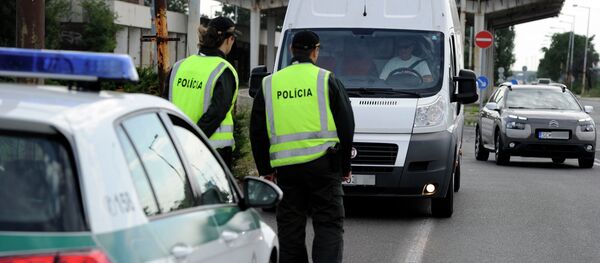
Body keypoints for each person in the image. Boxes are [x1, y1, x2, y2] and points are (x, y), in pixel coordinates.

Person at [250, 30, 355, 263]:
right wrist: (345, 166)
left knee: (290, 228)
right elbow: (346, 126)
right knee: (328, 223)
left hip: (286, 170)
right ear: (315, 52)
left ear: (291, 50)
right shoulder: (326, 79)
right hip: (324, 166)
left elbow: (257, 131)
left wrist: (265, 169)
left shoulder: (269, 83)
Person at [165, 16, 240, 168]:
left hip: (176, 148)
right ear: (229, 39)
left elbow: (164, 105)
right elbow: (216, 113)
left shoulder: (179, 66)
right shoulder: (223, 70)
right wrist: (194, 141)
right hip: (212, 153)